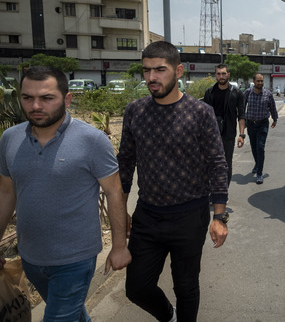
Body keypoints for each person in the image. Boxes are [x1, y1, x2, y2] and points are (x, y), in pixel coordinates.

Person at [0, 66, 131, 321]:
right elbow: (6, 193)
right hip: (30, 255)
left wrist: (119, 246)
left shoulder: (92, 140)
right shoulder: (10, 139)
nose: (36, 105)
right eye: (27, 98)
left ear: (67, 99)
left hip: (75, 258)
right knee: (71, 315)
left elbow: (114, 192)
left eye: (47, 98)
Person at [117, 41, 228, 322]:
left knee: (186, 286)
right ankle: (169, 316)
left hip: (189, 216)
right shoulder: (135, 111)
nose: (152, 78)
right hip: (148, 215)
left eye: (160, 70)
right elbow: (126, 164)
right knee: (137, 288)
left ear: (178, 71)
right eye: (146, 71)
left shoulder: (200, 113)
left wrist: (219, 216)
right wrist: (120, 214)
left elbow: (217, 164)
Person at [203, 64, 246, 187]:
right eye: (218, 74)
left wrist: (241, 135)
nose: (221, 76)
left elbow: (241, 115)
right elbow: (204, 117)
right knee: (211, 163)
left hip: (229, 134)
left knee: (226, 164)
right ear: (215, 75)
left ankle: (223, 192)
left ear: (228, 74)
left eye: (223, 73)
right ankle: (213, 190)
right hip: (212, 135)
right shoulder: (209, 93)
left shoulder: (237, 93)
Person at [244, 73, 278, 184]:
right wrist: (242, 120)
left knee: (260, 147)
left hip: (262, 124)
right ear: (253, 81)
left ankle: (259, 173)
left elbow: (272, 107)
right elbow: (242, 106)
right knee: (253, 147)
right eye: (258, 81)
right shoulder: (248, 93)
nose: (260, 83)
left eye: (262, 81)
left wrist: (275, 118)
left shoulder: (267, 94)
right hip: (250, 124)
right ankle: (257, 164)